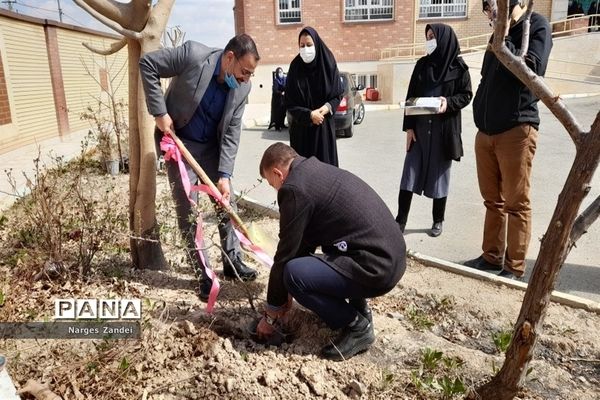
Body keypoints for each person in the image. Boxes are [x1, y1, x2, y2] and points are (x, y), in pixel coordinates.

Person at [255, 143, 406, 360]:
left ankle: (356, 326)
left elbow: (286, 253)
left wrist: (271, 311)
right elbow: (304, 242)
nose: (276, 189)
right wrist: (281, 296)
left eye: (273, 183)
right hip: (391, 256)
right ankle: (360, 310)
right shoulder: (315, 171)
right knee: (316, 259)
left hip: (378, 268)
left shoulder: (294, 188)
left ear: (278, 173)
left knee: (294, 275)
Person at [139, 34, 260, 300]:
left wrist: (225, 174)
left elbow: (231, 132)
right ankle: (203, 272)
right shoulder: (193, 55)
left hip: (212, 148)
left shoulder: (242, 88)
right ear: (230, 57)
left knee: (226, 202)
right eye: (244, 72)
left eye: (251, 74)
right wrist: (159, 113)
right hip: (179, 142)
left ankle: (232, 261)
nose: (246, 79)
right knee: (188, 210)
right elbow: (148, 64)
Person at [464, 0, 552, 279]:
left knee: (517, 202)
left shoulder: (535, 26)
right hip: (486, 132)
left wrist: (504, 39)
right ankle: (491, 257)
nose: (491, 13)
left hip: (516, 129)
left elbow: (532, 70)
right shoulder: (497, 34)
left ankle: (514, 267)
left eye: (493, 6)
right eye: (488, 8)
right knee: (493, 200)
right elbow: (486, 78)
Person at [395, 24, 472, 237]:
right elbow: (411, 97)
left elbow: (466, 95)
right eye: (427, 36)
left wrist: (448, 102)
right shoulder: (422, 65)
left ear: (444, 39)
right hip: (419, 131)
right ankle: (400, 220)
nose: (429, 41)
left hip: (443, 132)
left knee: (440, 177)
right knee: (409, 175)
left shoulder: (459, 67)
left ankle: (438, 220)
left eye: (433, 37)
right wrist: (409, 128)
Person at [285, 27, 343, 167]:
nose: (305, 49)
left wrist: (327, 107)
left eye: (309, 45)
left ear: (316, 44)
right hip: (302, 134)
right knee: (304, 176)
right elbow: (290, 103)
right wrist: (310, 115)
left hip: (323, 132)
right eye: (302, 45)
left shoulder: (328, 64)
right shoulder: (295, 67)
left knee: (325, 175)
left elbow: (338, 94)